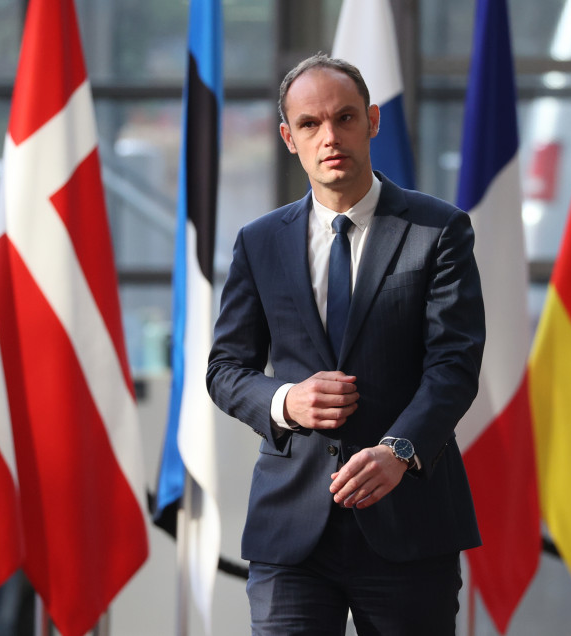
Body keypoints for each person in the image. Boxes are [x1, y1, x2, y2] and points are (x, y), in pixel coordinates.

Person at [207, 53, 485, 635]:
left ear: (373, 121)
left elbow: (454, 365)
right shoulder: (259, 243)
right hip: (291, 535)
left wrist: (400, 451)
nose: (329, 136)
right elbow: (226, 369)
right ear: (288, 137)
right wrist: (286, 401)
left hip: (409, 523)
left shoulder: (439, 230)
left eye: (345, 117)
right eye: (309, 124)